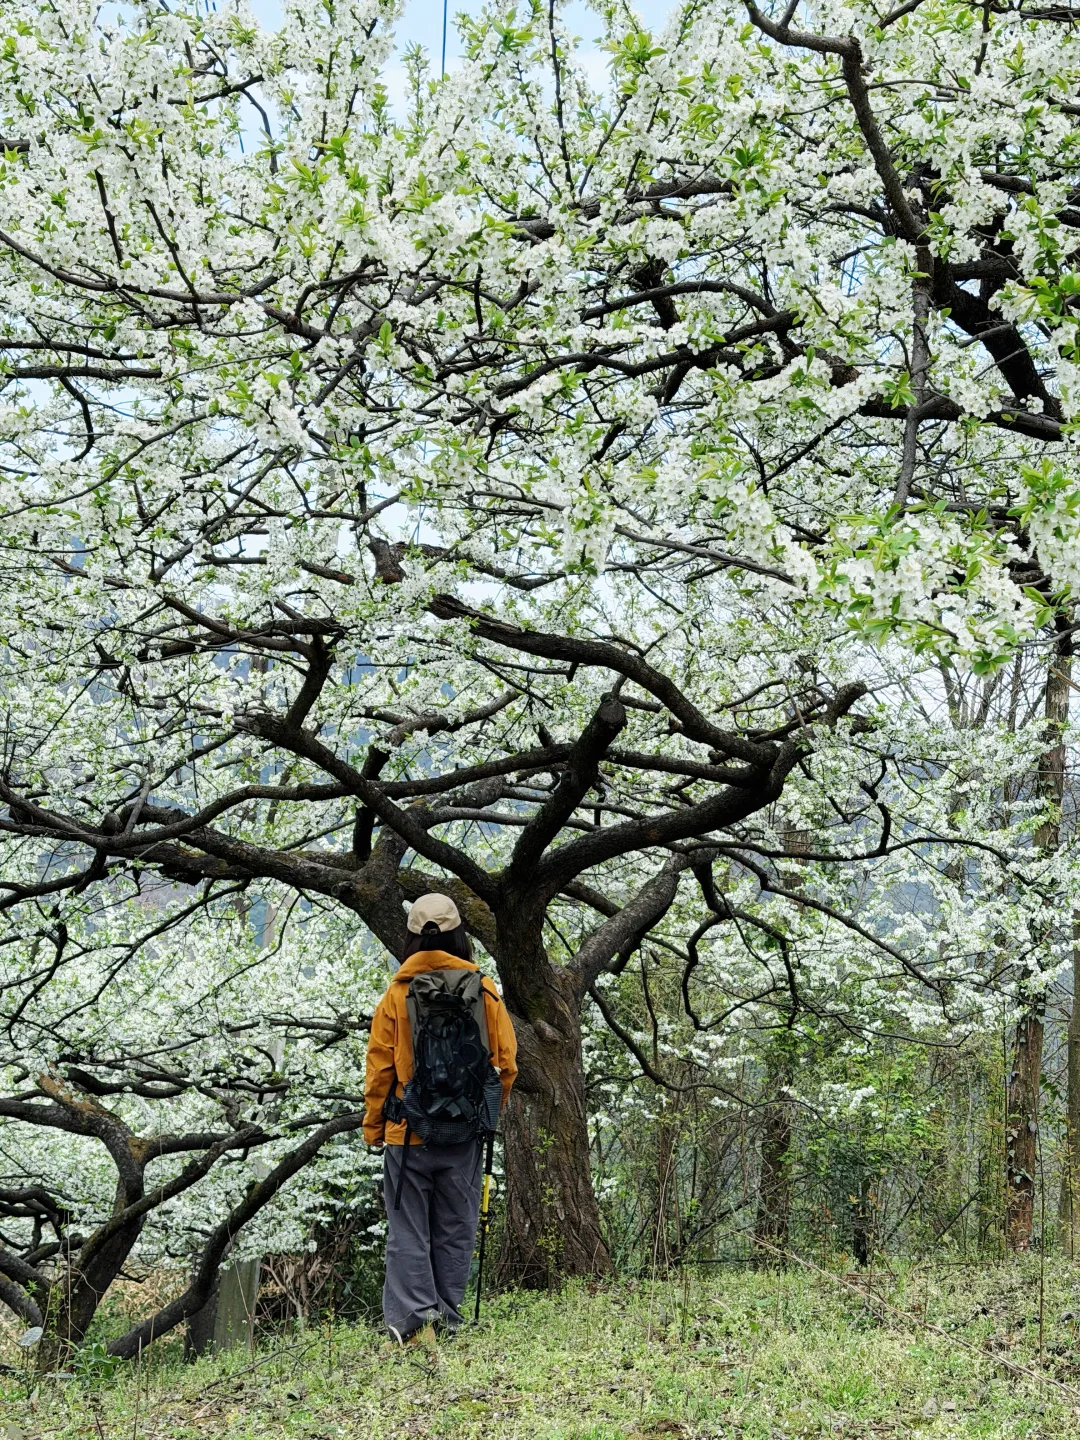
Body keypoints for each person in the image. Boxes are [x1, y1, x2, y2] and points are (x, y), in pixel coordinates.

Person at [363, 893, 517, 1348]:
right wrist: (484, 1114)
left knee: (409, 1229)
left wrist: (375, 1127)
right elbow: (505, 1064)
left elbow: (380, 1070)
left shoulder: (395, 995)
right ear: (459, 936)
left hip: (406, 1133)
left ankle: (412, 1326)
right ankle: (448, 1319)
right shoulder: (484, 991)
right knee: (455, 1226)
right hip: (465, 1134)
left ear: (412, 937)